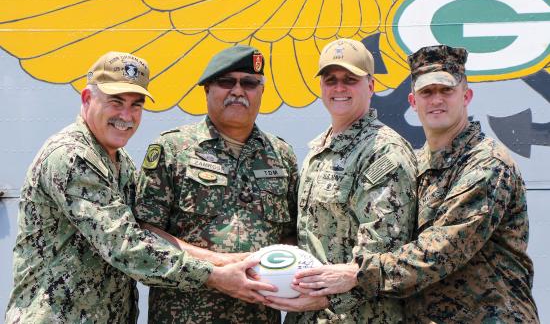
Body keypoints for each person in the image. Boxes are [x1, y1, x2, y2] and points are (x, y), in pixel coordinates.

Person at [5, 51, 274, 323]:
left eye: (136, 104)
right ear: (87, 99)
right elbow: (125, 245)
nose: (126, 115)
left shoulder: (120, 162)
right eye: (116, 102)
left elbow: (143, 233)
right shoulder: (71, 157)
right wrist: (215, 274)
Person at [286, 44, 540, 322]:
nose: (436, 100)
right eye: (427, 92)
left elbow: (442, 250)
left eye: (446, 90)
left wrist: (357, 274)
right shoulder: (419, 162)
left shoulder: (487, 164)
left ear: (466, 96)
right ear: (412, 101)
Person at [134, 45, 299, 323]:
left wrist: (272, 268)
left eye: (249, 83)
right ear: (207, 89)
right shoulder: (173, 149)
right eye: (226, 82)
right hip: (184, 315)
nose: (238, 91)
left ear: (261, 92)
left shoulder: (281, 155)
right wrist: (219, 267)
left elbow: (293, 236)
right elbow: (145, 233)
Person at [265, 38, 417, 323]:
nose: (339, 88)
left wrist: (324, 298)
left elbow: (384, 250)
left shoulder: (382, 151)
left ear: (370, 86)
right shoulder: (319, 149)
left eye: (350, 79)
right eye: (330, 79)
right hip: (309, 314)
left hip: (360, 315)